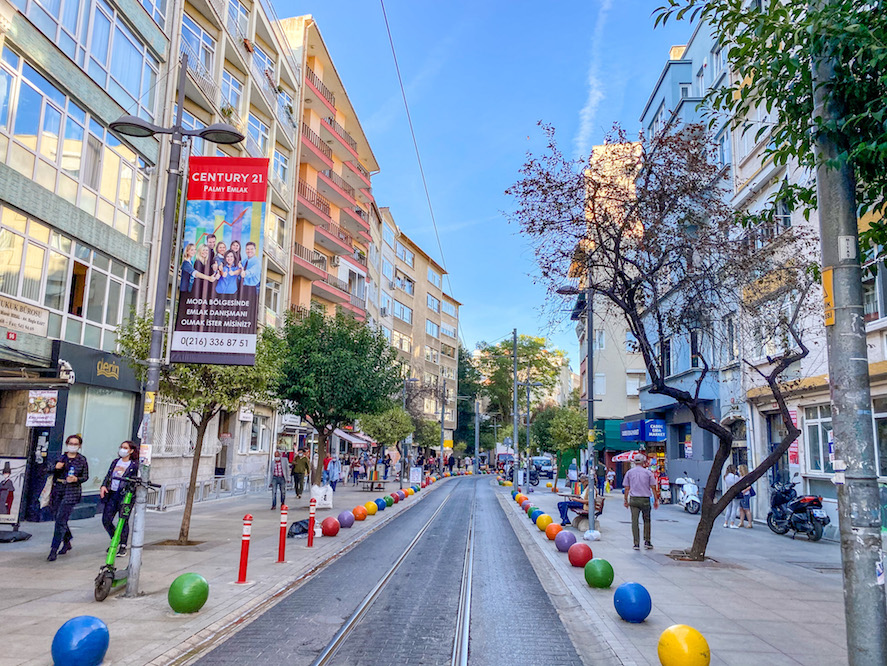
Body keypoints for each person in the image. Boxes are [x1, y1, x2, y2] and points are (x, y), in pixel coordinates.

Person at [47, 435, 89, 561]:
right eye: (71, 443)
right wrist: (56, 467)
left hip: (71, 492)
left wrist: (77, 479)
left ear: (79, 446)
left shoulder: (81, 460)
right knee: (58, 518)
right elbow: (47, 469)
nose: (73, 446)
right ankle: (67, 540)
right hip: (57, 489)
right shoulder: (60, 457)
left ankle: (53, 549)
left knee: (60, 519)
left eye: (76, 444)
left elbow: (85, 476)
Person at [99, 440, 139, 555]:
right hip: (112, 493)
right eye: (121, 447)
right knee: (106, 519)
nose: (123, 450)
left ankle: (123, 545)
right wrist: (103, 486)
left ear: (131, 451)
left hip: (125, 495)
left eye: (126, 448)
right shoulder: (115, 462)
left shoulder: (134, 465)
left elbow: (135, 480)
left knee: (123, 519)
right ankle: (115, 538)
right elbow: (109, 475)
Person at [623, 454, 658, 550]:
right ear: (643, 462)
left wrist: (626, 500)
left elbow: (626, 488)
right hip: (645, 499)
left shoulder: (629, 473)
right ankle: (647, 541)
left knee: (634, 521)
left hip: (634, 499)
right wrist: (656, 499)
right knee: (647, 520)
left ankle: (636, 543)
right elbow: (653, 487)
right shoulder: (648, 473)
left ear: (634, 462)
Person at [723, 464, 741, 529]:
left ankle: (725, 522)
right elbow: (739, 483)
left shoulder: (725, 476)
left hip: (729, 492)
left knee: (729, 508)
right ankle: (732, 523)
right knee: (734, 508)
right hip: (735, 493)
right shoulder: (735, 477)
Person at [736, 464, 754, 528]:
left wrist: (743, 492)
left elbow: (749, 487)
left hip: (745, 495)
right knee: (741, 509)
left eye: (739, 469)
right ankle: (741, 522)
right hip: (741, 494)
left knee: (746, 509)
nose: (738, 470)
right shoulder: (740, 477)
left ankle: (749, 523)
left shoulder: (746, 477)